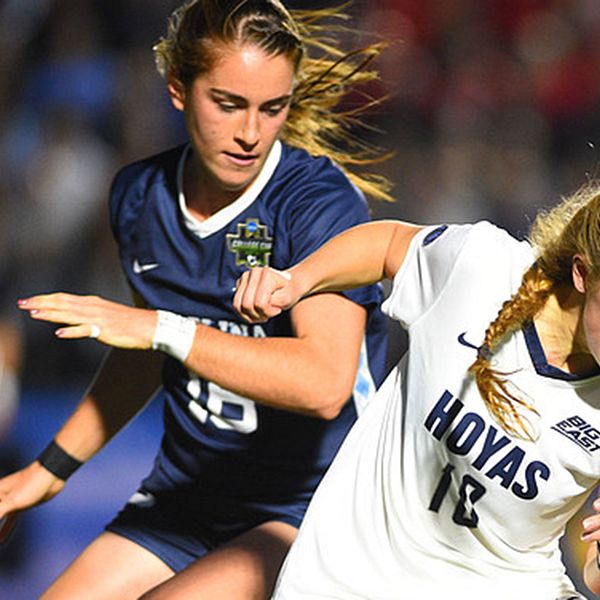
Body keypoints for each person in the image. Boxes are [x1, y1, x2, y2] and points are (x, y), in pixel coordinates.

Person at [1, 1, 392, 598]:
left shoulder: (317, 203)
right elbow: (145, 353)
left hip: (308, 505)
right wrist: (48, 472)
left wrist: (162, 328)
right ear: (178, 90)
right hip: (190, 494)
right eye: (228, 104)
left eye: (273, 108)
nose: (250, 133)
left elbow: (324, 382)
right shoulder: (138, 196)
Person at [233, 182, 600, 599]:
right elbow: (390, 245)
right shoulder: (482, 267)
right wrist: (297, 280)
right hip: (354, 582)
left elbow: (594, 577)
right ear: (582, 273)